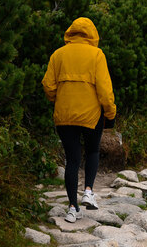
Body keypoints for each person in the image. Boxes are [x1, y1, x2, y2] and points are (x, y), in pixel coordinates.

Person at [42, 17, 116, 223]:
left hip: (64, 115)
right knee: (92, 151)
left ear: (70, 33)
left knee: (72, 160)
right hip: (91, 116)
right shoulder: (97, 55)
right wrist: (110, 113)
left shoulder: (58, 54)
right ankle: (89, 191)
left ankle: (72, 208)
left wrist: (59, 98)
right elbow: (105, 90)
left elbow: (48, 85)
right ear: (92, 34)